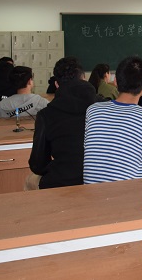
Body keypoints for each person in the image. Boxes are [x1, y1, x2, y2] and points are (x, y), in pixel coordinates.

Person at [84, 56, 142, 184]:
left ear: (115, 82)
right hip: (126, 192)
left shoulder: (93, 110)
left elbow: (103, 153)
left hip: (90, 191)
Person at [27, 57, 101, 190]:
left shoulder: (46, 115)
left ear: (56, 84)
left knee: (29, 181)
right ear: (83, 78)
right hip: (102, 180)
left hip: (62, 183)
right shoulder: (102, 106)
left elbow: (37, 164)